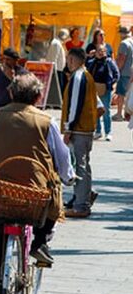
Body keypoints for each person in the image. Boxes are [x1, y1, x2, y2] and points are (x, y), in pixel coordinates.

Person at [0, 73, 75, 294]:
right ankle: (40, 242)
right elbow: (62, 159)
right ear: (39, 96)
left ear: (10, 93)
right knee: (53, 202)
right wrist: (68, 176)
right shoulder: (46, 121)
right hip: (36, 197)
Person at [61, 47, 103, 218]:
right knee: (82, 164)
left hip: (79, 129)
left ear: (72, 60)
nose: (67, 63)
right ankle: (84, 195)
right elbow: (100, 107)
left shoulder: (78, 77)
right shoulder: (87, 76)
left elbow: (75, 105)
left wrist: (68, 128)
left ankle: (81, 205)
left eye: (68, 60)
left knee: (80, 165)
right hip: (85, 129)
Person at [86, 41, 118, 141]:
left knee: (106, 111)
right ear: (95, 52)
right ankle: (98, 131)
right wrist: (88, 57)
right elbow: (85, 71)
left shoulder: (109, 62)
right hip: (94, 89)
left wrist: (111, 84)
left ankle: (108, 132)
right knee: (96, 110)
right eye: (99, 50)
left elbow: (116, 74)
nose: (101, 52)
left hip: (105, 89)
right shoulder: (92, 62)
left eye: (103, 50)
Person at [115, 26, 133, 121]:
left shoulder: (123, 43)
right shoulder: (132, 41)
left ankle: (119, 114)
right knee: (129, 93)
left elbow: (122, 58)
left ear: (122, 33)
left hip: (124, 72)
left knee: (121, 94)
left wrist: (117, 70)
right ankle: (128, 113)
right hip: (131, 71)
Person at [47, 28, 70, 94]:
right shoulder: (56, 44)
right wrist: (54, 73)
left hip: (59, 70)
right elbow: (54, 59)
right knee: (57, 90)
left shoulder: (58, 43)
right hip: (56, 71)